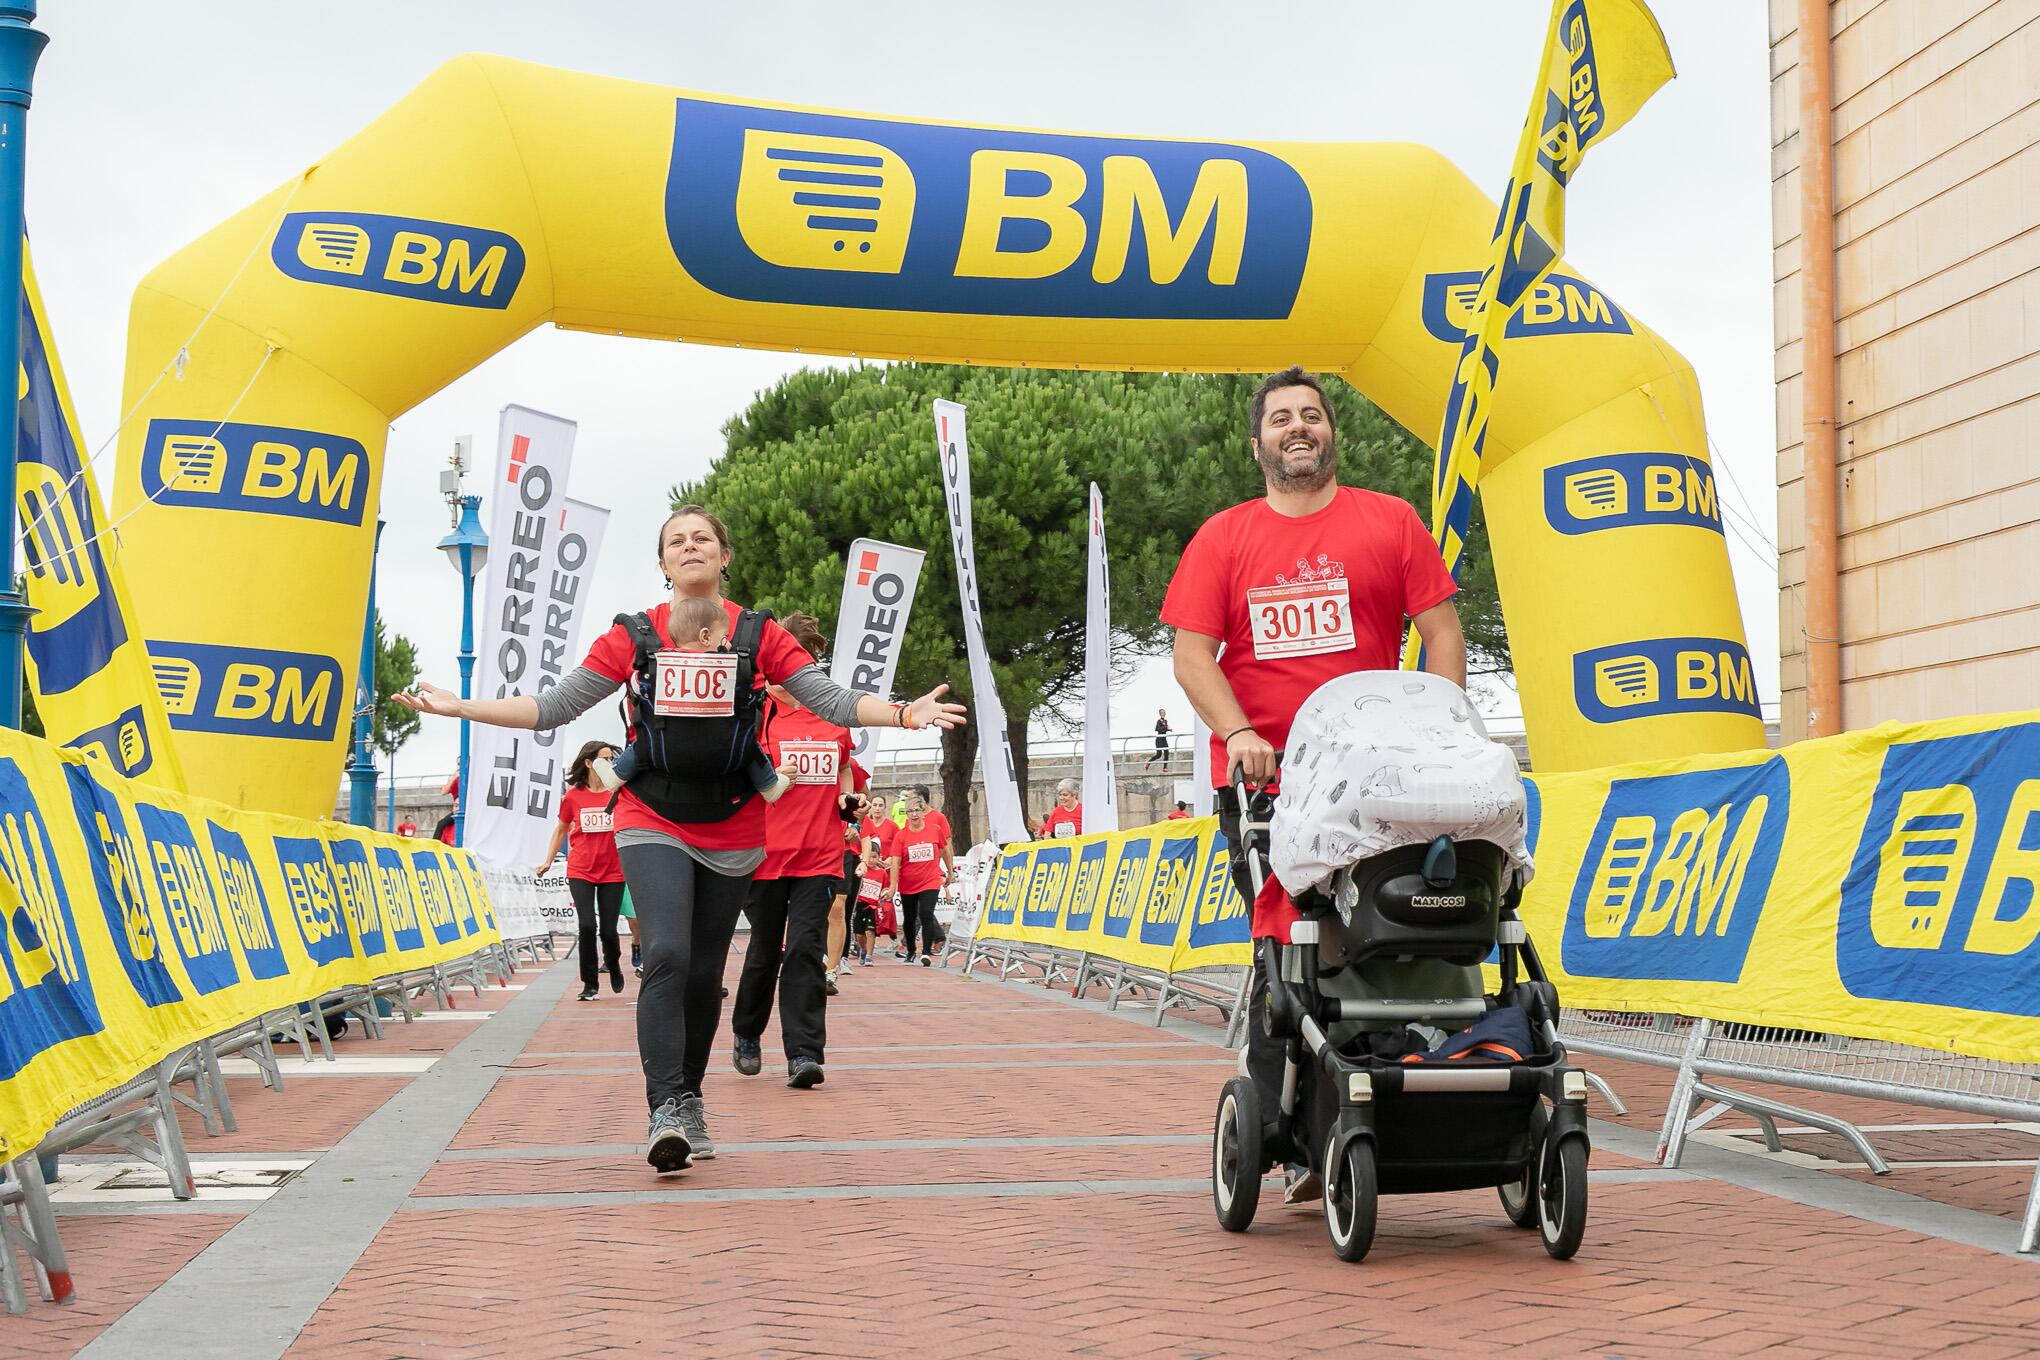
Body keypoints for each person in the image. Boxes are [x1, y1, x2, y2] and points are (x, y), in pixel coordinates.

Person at [397, 504, 967, 1174]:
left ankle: (691, 1095)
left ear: (724, 556)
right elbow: (554, 706)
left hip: (733, 826)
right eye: (676, 540)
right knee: (665, 952)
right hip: (651, 817)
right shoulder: (633, 635)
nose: (690, 546)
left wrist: (905, 713)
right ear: (664, 564)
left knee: (702, 975)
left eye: (702, 538)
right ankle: (665, 1106)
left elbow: (830, 699)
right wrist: (461, 708)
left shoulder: (759, 636)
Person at [1161, 366, 1464, 1204]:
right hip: (1270, 785)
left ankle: (1388, 1103)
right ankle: (1278, 1132)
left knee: (1392, 936)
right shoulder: (1225, 538)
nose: (1300, 427)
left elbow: (1441, 633)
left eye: (1314, 415)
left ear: (1333, 433)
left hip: (1383, 780)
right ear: (1257, 442)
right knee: (1287, 946)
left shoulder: (1391, 522)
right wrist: (1240, 734)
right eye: (1283, 418)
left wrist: (1436, 729)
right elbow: (1192, 657)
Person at [729, 613, 854, 1090]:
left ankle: (804, 1053)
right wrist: (770, 781)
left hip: (819, 854)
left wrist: (848, 800)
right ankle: (746, 1034)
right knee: (764, 949)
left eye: (807, 660)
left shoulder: (830, 716)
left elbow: (846, 772)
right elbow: (737, 774)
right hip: (763, 855)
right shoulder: (757, 712)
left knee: (805, 948)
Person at [533, 739, 629, 1001]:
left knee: (608, 930)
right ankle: (590, 983)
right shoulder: (573, 796)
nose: (610, 764)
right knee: (587, 925)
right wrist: (548, 860)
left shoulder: (618, 793)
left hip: (613, 871)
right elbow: (561, 829)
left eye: (611, 759)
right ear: (588, 763)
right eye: (604, 759)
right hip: (581, 870)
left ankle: (613, 962)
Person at [884, 787, 954, 965]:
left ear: (923, 812)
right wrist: (892, 887)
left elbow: (945, 851)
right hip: (908, 882)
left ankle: (926, 952)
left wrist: (950, 872)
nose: (914, 815)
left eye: (917, 810)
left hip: (930, 879)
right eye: (910, 811)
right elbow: (896, 863)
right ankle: (910, 950)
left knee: (926, 913)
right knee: (909, 917)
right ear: (906, 814)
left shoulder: (935, 830)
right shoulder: (901, 836)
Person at [850, 838, 890, 965]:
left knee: (870, 931)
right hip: (859, 906)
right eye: (870, 857)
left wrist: (885, 894)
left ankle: (869, 955)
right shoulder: (861, 870)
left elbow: (886, 887)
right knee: (859, 935)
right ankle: (863, 948)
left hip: (872, 907)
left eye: (875, 857)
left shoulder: (882, 873)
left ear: (879, 857)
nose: (872, 860)